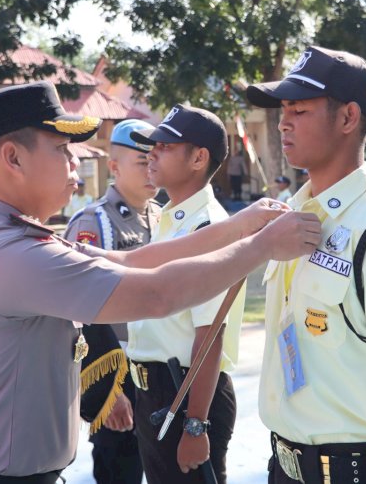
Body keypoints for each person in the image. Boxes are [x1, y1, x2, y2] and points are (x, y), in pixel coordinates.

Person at [0, 81, 321, 483]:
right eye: (60, 150)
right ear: (13, 159)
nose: (74, 164)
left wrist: (240, 227)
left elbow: (132, 260)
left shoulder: (9, 237)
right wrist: (262, 246)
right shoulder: (11, 253)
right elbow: (157, 293)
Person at [246, 45, 366, 484]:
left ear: (348, 118)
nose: (283, 122)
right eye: (283, 110)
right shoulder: (293, 217)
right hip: (285, 464)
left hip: (351, 471)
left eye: (299, 109)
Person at [124, 104, 245, 484]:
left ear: (198, 158)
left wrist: (195, 425)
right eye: (152, 145)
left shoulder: (208, 227)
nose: (152, 152)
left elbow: (209, 335)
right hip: (156, 394)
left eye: (165, 146)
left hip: (185, 396)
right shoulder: (170, 217)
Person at [64, 118, 161, 484]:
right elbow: (80, 316)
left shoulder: (164, 218)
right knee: (120, 471)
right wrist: (110, 392)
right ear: (114, 166)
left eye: (156, 160)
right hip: (120, 377)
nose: (152, 169)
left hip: (160, 374)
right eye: (142, 162)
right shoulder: (95, 223)